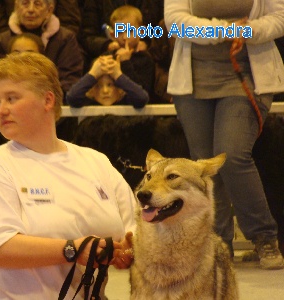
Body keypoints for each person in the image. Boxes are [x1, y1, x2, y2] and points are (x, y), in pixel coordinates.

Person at [0, 52, 135, 299]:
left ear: (47, 100)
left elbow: (134, 229)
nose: (1, 110)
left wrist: (127, 251)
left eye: (12, 98)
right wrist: (71, 249)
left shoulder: (95, 162)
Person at [165, 0, 284, 269]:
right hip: (192, 83)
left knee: (231, 155)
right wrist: (226, 31)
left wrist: (250, 31)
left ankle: (264, 237)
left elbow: (280, 17)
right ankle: (218, 244)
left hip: (247, 78)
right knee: (204, 164)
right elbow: (175, 21)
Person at [0, 0, 83, 97]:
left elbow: (69, 82)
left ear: (49, 10)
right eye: (25, 3)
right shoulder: (1, 42)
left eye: (37, 4)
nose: (31, 9)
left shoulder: (65, 40)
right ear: (16, 7)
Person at [79, 0, 164, 62]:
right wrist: (107, 45)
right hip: (107, 58)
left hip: (145, 57)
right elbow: (87, 35)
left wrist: (146, 42)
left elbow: (162, 30)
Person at [107, 5, 155, 100]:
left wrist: (125, 63)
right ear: (112, 35)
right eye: (120, 32)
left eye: (130, 31)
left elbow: (141, 93)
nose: (125, 37)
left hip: (138, 111)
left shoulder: (146, 59)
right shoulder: (108, 57)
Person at [66, 54, 149, 107]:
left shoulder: (126, 101)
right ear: (92, 90)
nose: (105, 91)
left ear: (119, 87)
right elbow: (72, 97)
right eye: (98, 86)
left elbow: (142, 98)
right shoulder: (88, 103)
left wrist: (118, 75)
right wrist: (93, 74)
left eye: (110, 84)